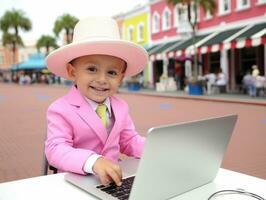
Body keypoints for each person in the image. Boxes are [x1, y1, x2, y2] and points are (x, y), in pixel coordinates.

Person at [45, 17, 148, 187]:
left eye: (112, 73)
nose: (102, 79)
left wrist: (157, 150)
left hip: (114, 182)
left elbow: (128, 141)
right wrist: (93, 161)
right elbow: (55, 149)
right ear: (72, 72)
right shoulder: (60, 109)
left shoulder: (121, 107)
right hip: (75, 183)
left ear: (121, 78)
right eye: (92, 69)